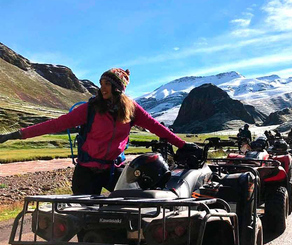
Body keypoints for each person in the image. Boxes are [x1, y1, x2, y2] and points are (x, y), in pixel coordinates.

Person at [0, 68, 202, 195]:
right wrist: (16, 135)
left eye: (107, 84)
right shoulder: (90, 108)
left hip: (114, 170)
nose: (102, 88)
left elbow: (156, 127)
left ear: (117, 88)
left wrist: (183, 145)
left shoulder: (131, 109)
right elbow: (55, 124)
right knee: (83, 220)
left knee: (130, 211)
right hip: (86, 171)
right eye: (101, 84)